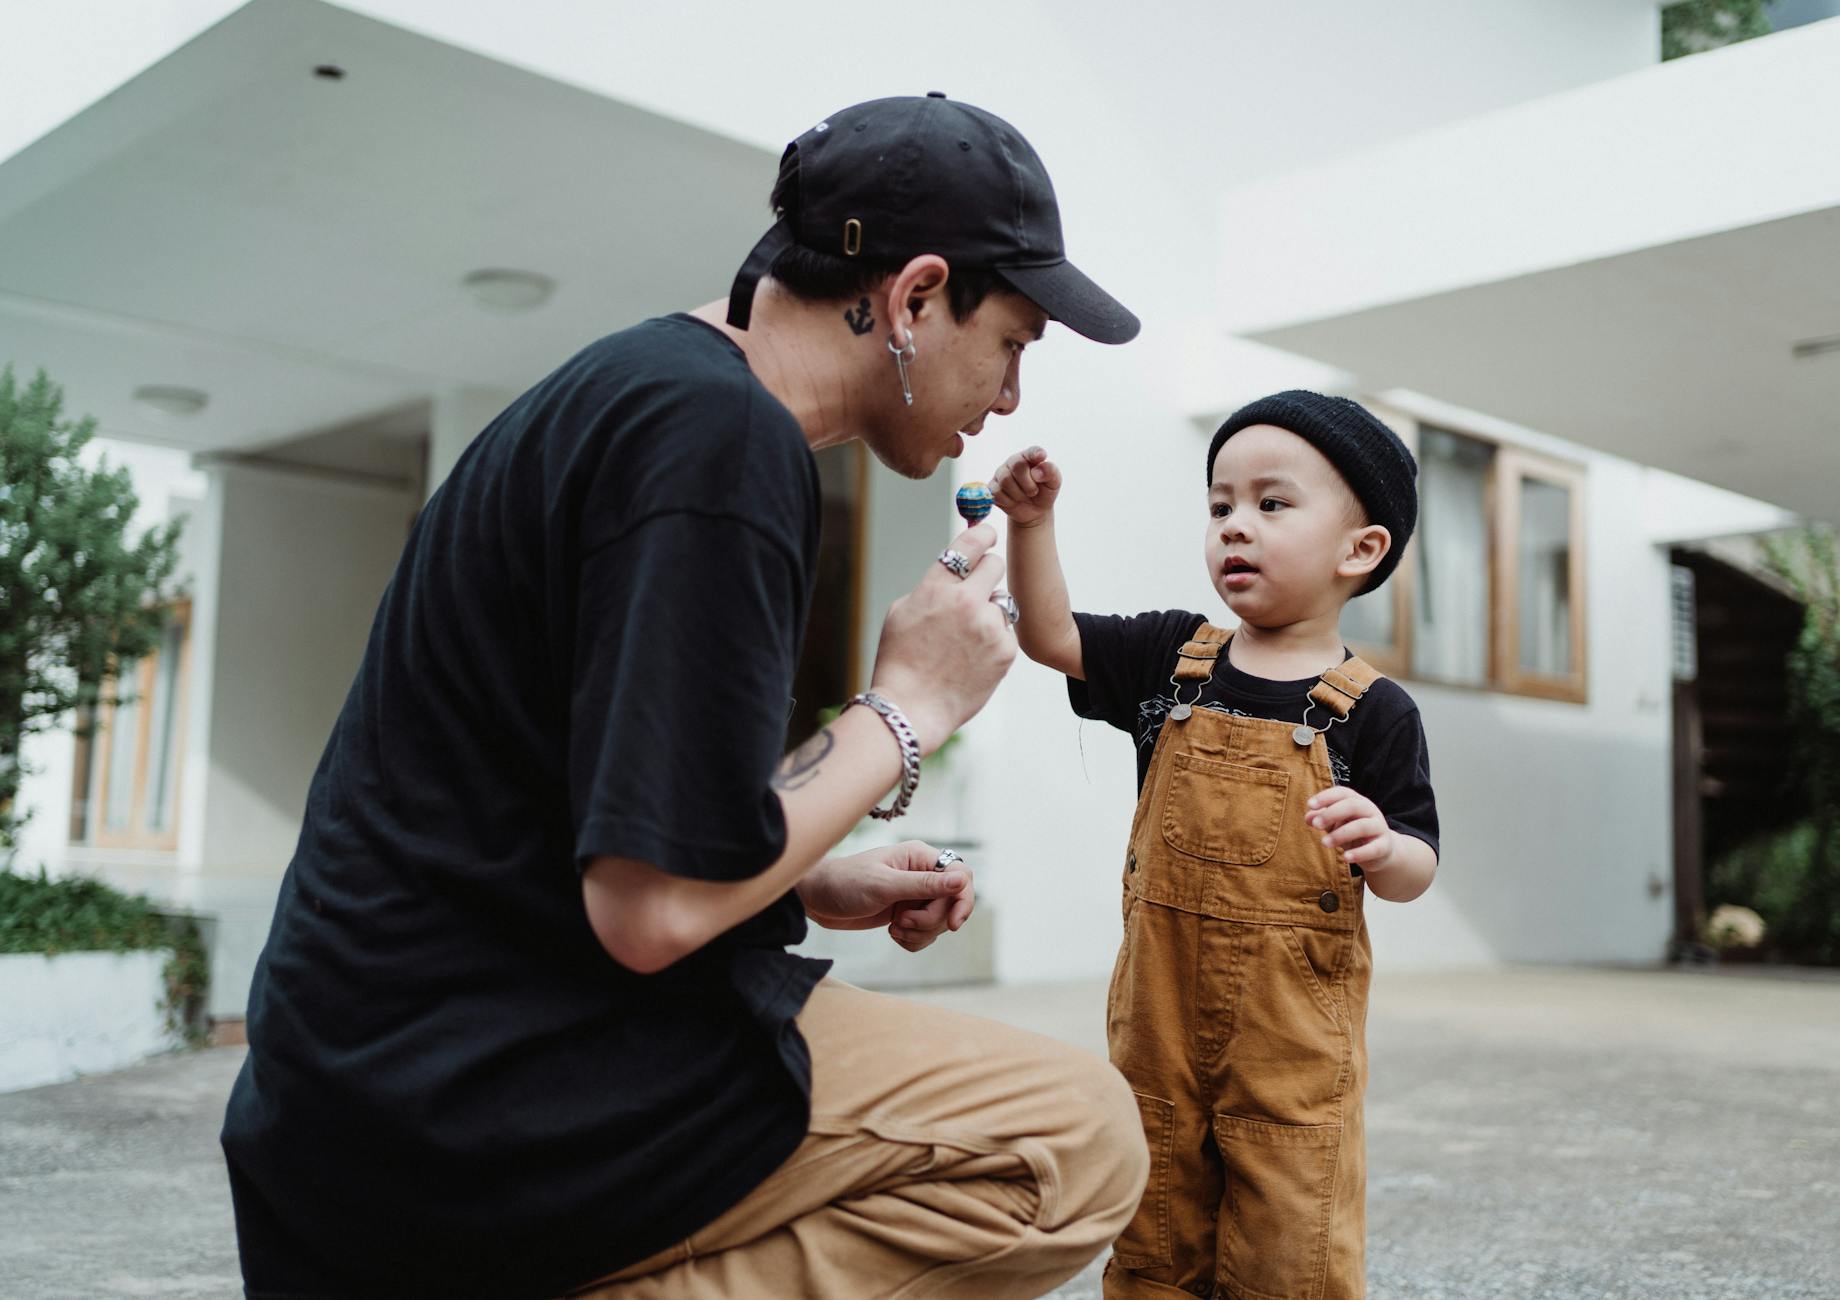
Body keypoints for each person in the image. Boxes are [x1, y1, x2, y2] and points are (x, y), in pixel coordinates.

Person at [220, 94, 1149, 1300]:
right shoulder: (719, 441)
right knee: (1069, 1142)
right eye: (1015, 341)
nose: (1012, 394)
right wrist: (911, 704)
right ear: (917, 298)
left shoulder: (648, 391)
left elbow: (570, 796)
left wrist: (806, 874)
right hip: (477, 1100)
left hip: (373, 1085)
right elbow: (653, 908)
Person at [990, 391, 1442, 1298]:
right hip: (1159, 1020)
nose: (1236, 526)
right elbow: (1049, 636)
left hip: (1292, 1044)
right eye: (1220, 506)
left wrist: (1381, 846)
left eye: (1272, 505)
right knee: (1156, 1225)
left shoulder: (1377, 711)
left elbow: (1418, 867)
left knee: (1290, 1235)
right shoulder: (1172, 659)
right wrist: (1031, 525)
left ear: (1361, 550)